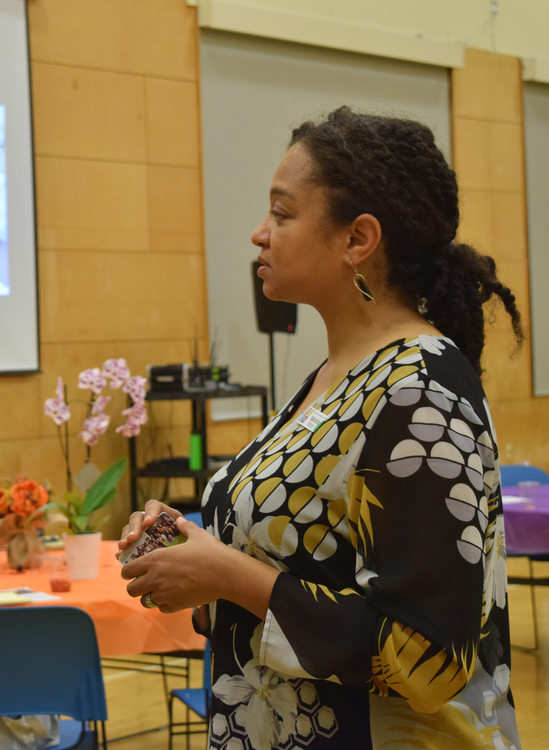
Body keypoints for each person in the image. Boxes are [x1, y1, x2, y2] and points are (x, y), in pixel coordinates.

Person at [119, 107, 523, 749]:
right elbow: (306, 568)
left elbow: (427, 656)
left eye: (282, 214)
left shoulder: (418, 390)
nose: (259, 233)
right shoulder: (336, 375)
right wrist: (197, 560)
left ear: (357, 239)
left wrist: (228, 576)